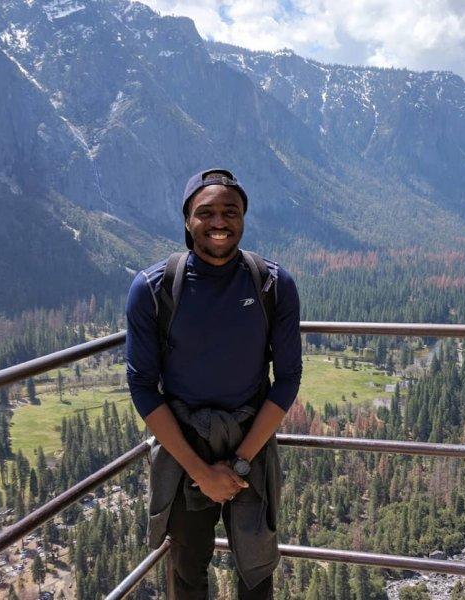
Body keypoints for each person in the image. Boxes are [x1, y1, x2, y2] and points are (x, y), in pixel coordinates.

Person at [125, 168, 302, 600]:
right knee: (187, 571)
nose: (219, 222)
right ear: (187, 219)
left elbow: (288, 379)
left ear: (243, 218)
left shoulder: (272, 285)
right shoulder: (152, 289)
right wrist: (201, 471)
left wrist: (238, 463)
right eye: (206, 212)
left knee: (257, 572)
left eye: (230, 211)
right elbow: (143, 386)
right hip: (185, 445)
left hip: (252, 441)